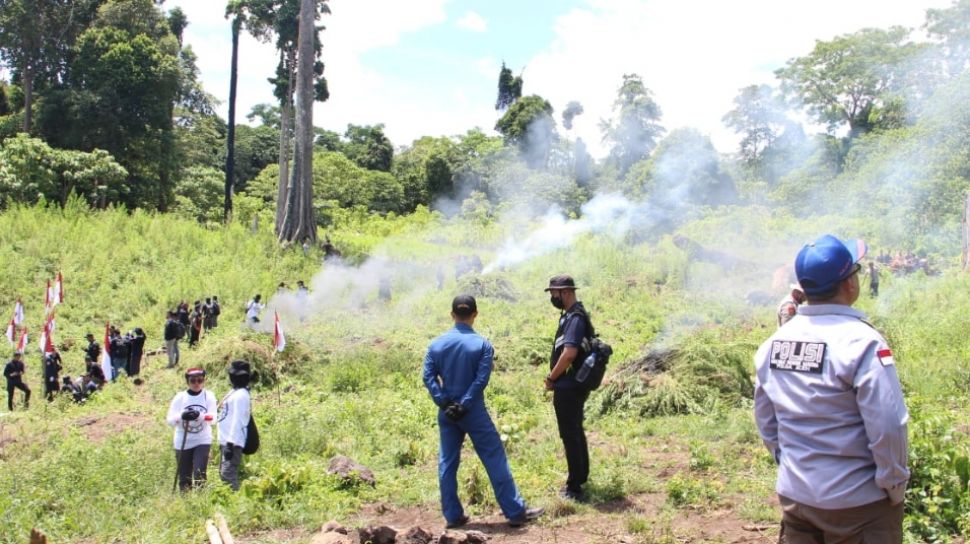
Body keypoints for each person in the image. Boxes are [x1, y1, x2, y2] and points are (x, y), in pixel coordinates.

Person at [754, 235, 909, 543]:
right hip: (859, 506)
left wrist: (789, 465)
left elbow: (766, 420)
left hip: (796, 498)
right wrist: (894, 486)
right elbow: (888, 426)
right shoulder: (862, 343)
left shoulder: (773, 345)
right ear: (849, 284)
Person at [422, 295, 543, 528]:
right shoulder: (483, 345)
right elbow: (481, 379)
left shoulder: (436, 345)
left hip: (447, 413)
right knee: (494, 456)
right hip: (473, 411)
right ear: (475, 314)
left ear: (452, 315)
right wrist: (465, 404)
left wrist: (444, 402)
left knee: (447, 462)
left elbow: (428, 377)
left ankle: (453, 516)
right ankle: (515, 512)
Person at [543, 274, 593, 502]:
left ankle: (574, 488)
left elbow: (569, 353)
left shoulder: (575, 318)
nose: (553, 298)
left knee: (570, 434)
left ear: (565, 292)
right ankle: (580, 477)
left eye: (554, 293)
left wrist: (552, 378)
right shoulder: (572, 316)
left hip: (569, 386)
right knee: (574, 430)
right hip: (572, 384)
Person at [166, 368, 217, 491]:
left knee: (199, 473)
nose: (197, 384)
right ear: (187, 382)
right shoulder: (180, 397)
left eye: (200, 380)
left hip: (202, 439)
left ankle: (201, 501)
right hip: (183, 441)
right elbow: (170, 420)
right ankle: (186, 503)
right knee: (184, 477)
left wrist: (199, 416)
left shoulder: (208, 396)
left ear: (204, 381)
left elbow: (213, 419)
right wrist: (181, 416)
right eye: (193, 380)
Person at [218, 360, 253, 491]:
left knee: (227, 475)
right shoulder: (235, 392)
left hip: (232, 442)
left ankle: (235, 504)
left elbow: (238, 420)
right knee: (223, 474)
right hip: (226, 440)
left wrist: (230, 444)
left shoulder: (241, 395)